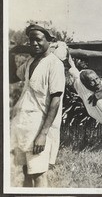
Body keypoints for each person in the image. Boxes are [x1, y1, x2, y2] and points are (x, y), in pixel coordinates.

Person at [10, 24, 65, 187]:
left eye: (38, 39)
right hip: (24, 123)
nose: (34, 43)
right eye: (31, 40)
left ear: (49, 40)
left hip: (40, 125)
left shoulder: (54, 64)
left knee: (39, 174)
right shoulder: (31, 61)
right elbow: (13, 77)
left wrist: (43, 134)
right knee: (27, 171)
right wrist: (10, 53)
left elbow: (56, 100)